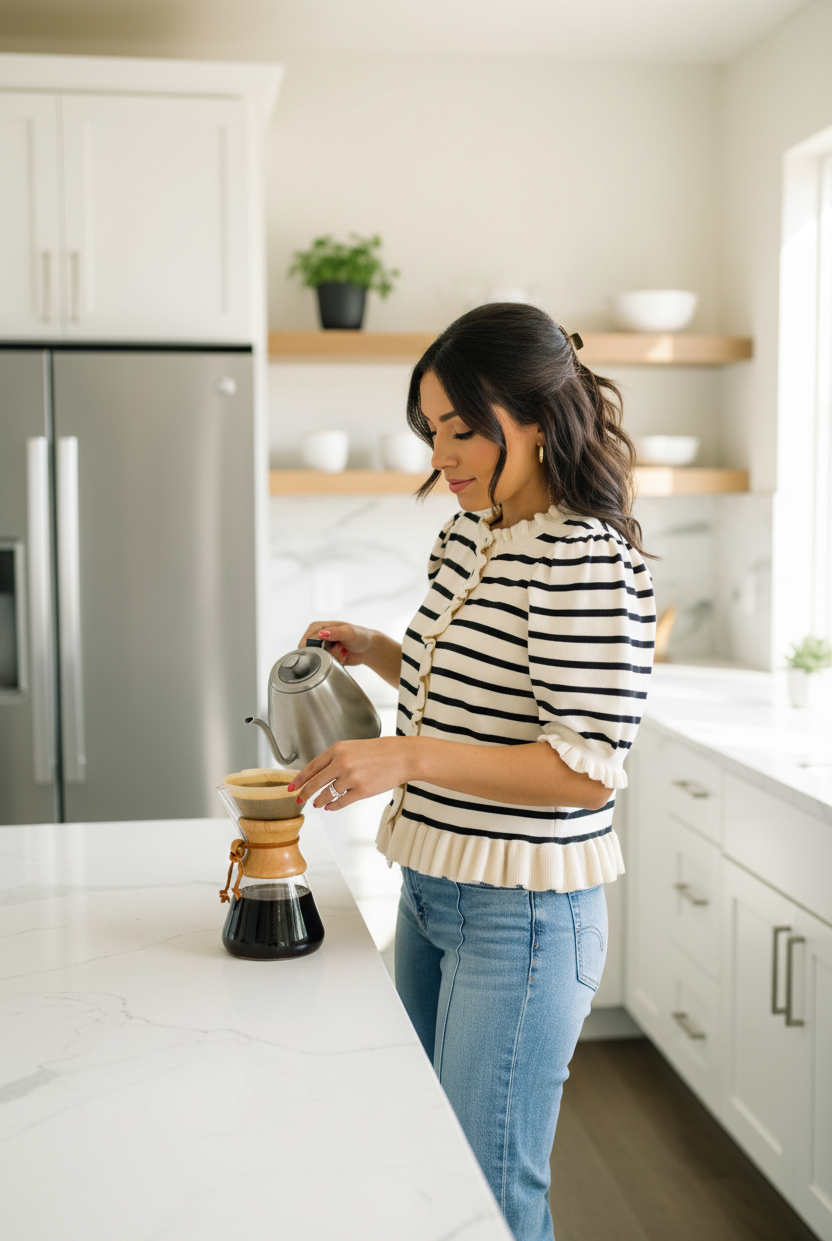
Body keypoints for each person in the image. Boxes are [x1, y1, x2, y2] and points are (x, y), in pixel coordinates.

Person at [289, 303, 656, 1241]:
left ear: (537, 417)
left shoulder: (584, 560)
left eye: (463, 429)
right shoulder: (470, 536)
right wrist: (378, 649)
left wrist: (405, 755)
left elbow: (582, 771)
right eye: (433, 431)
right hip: (433, 892)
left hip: (525, 919)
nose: (443, 454)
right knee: (425, 1159)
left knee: (490, 1188)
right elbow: (479, 700)